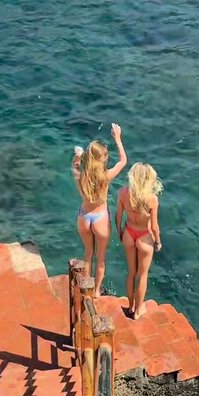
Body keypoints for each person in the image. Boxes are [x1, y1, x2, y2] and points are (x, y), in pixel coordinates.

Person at [72, 123, 127, 296]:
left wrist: (78, 156)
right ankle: (96, 292)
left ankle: (86, 287)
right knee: (101, 258)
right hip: (100, 219)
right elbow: (123, 161)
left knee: (88, 253)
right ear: (102, 159)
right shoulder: (106, 176)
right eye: (106, 155)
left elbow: (75, 166)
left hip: (84, 217)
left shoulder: (81, 177)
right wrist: (118, 139)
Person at [116, 163, 163, 319]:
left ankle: (130, 306)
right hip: (144, 236)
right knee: (142, 275)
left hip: (129, 233)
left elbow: (118, 216)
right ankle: (138, 311)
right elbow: (154, 226)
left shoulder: (123, 193)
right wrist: (158, 242)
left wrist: (120, 232)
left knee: (131, 272)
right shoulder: (152, 199)